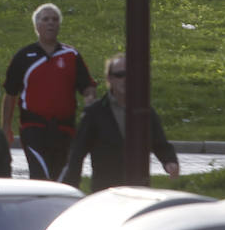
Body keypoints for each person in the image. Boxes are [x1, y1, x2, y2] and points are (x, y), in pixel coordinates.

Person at [1, 3, 96, 181]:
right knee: (40, 177)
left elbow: (87, 87)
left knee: (64, 180)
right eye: (45, 19)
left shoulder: (71, 55)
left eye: (55, 19)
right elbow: (10, 93)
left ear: (59, 25)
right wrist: (6, 126)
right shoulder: (24, 56)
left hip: (64, 129)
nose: (50, 23)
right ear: (37, 25)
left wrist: (90, 100)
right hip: (33, 128)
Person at [62, 54, 181, 191]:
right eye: (120, 75)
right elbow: (77, 153)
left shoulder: (145, 111)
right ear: (110, 79)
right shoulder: (95, 113)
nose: (125, 80)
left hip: (139, 189)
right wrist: (71, 186)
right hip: (106, 191)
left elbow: (160, 144)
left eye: (130, 74)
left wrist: (170, 162)